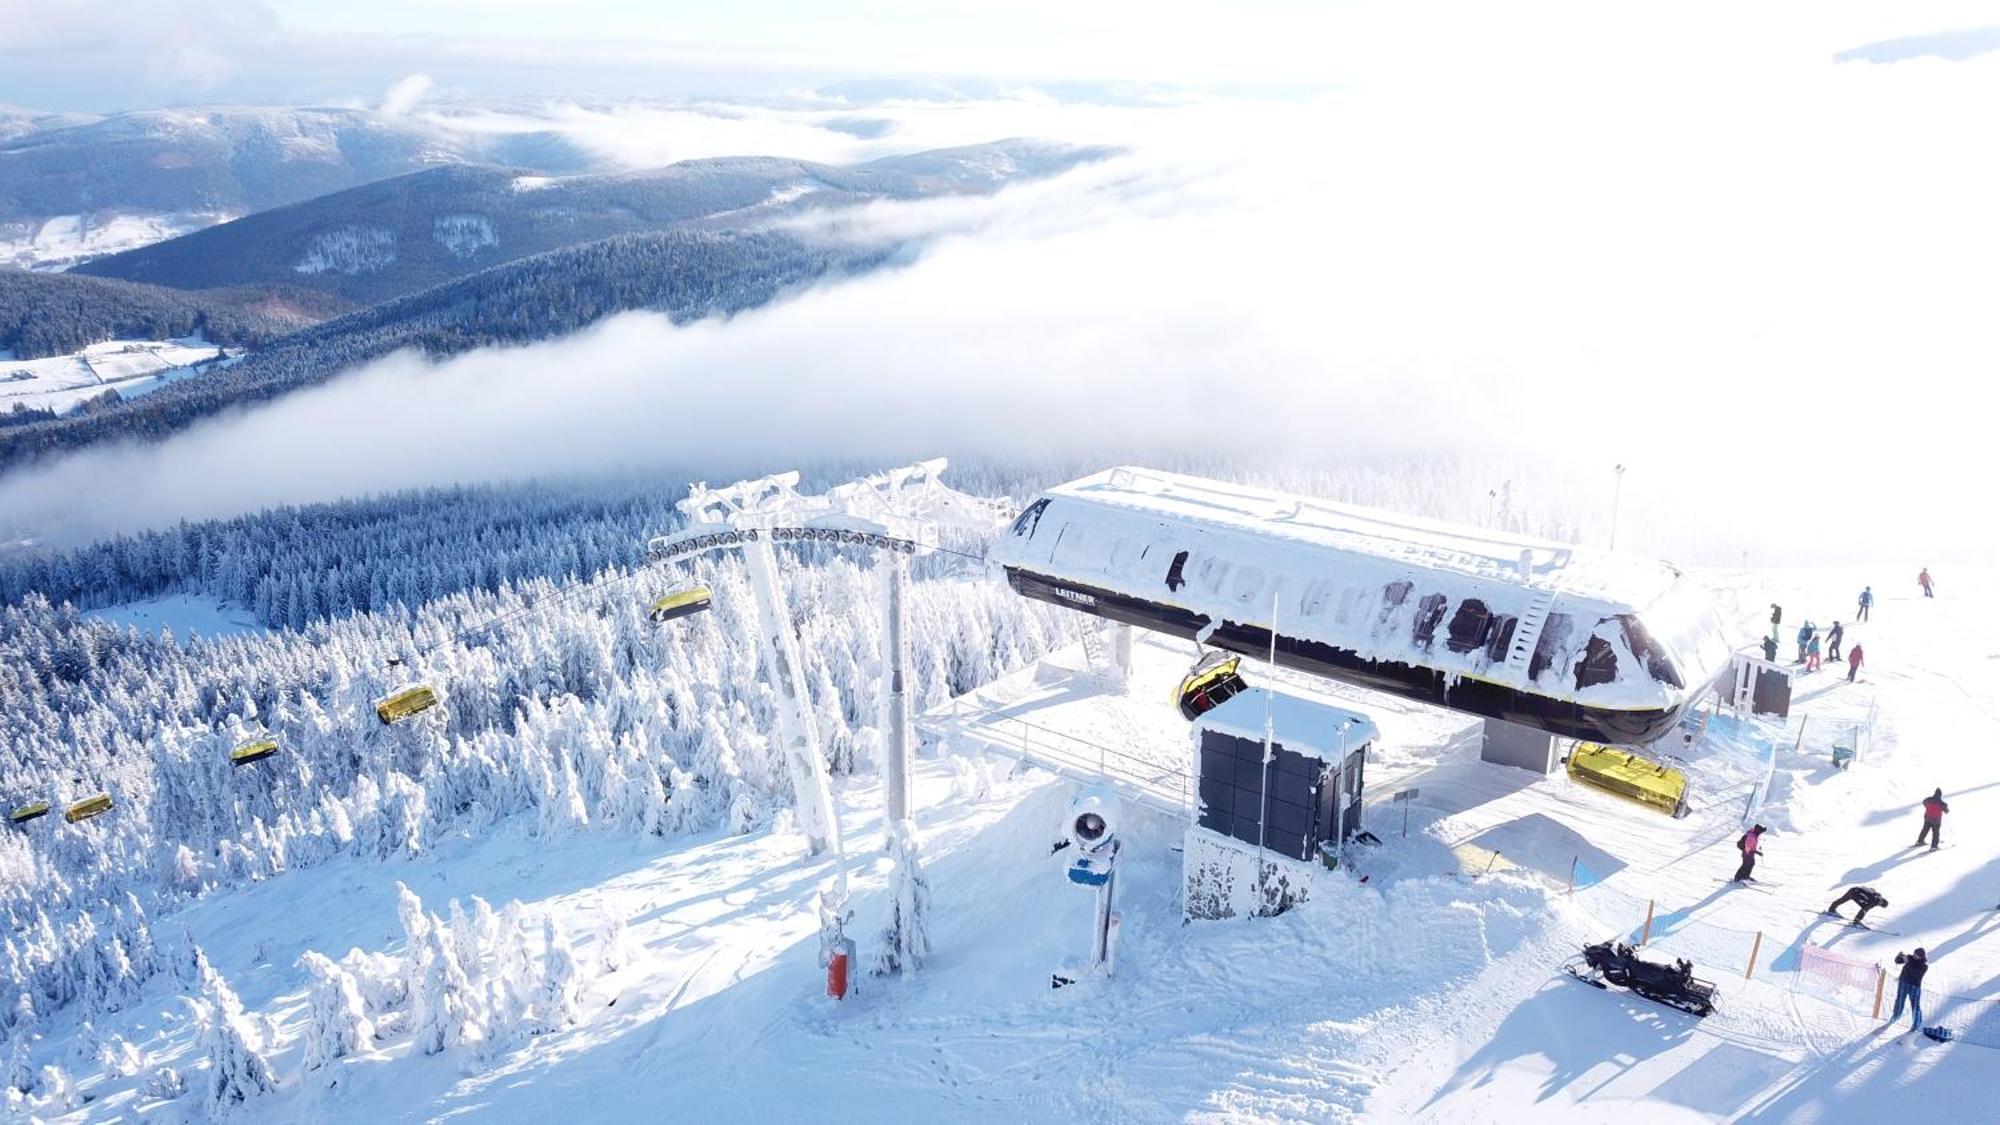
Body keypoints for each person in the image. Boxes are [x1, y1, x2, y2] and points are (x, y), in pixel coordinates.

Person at [1892, 948, 1928, 1033]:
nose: (1915, 956)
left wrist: (1907, 962)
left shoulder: (1924, 966)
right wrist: (1899, 956)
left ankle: (1916, 1024)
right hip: (1903, 983)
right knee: (1899, 1001)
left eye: (1917, 955)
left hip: (1914, 986)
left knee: (1915, 1005)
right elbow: (1897, 961)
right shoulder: (1909, 957)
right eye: (1915, 954)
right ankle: (1895, 1016)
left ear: (1921, 957)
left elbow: (1915, 974)